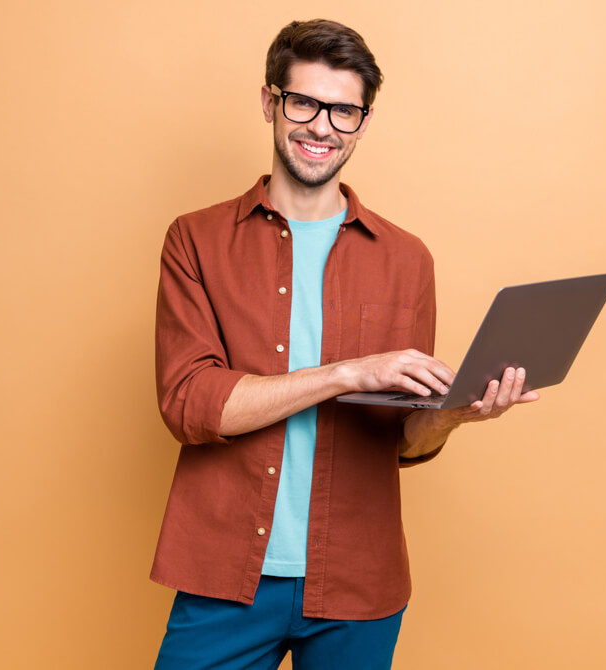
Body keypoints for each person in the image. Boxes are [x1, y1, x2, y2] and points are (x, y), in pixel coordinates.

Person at [151, 19, 538, 670]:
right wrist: (346, 374)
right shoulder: (195, 240)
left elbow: (404, 438)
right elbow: (192, 406)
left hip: (359, 580)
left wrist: (454, 414)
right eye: (304, 103)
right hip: (224, 575)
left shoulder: (406, 259)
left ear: (364, 120)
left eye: (344, 111)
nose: (322, 127)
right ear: (271, 101)